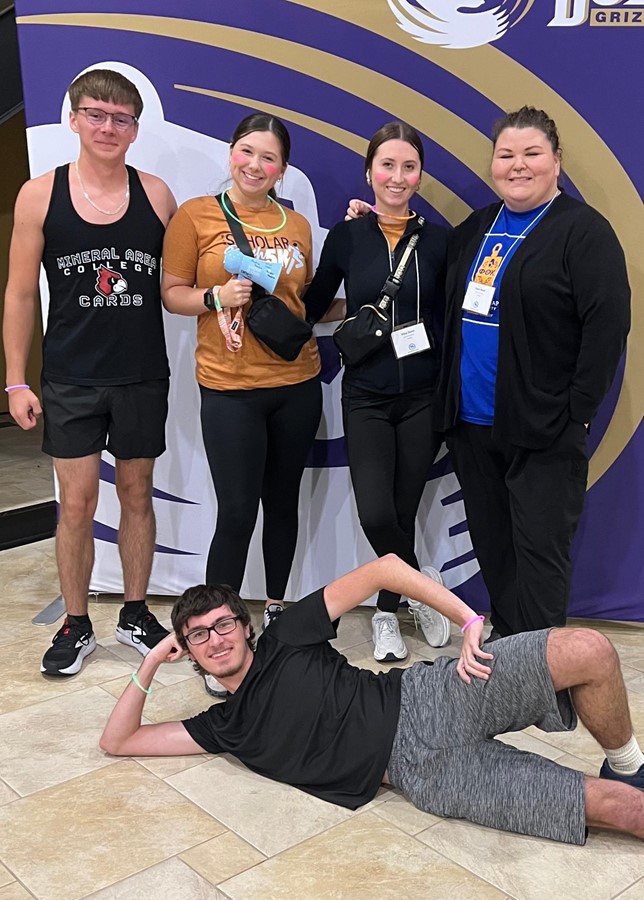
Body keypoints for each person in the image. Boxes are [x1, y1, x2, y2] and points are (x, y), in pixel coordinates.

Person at [100, 554, 644, 846]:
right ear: (188, 651)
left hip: (431, 697)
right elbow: (118, 740)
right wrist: (150, 660)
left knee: (589, 649)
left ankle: (628, 764)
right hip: (425, 775)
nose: (215, 639)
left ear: (245, 627)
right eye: (198, 635)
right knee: (621, 810)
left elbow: (384, 568)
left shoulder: (288, 637)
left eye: (223, 625)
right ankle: (627, 787)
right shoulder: (221, 727)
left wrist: (469, 620)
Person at [3, 69, 177, 676]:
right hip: (71, 378)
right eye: (96, 114)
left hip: (140, 374)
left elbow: (178, 284)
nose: (108, 127)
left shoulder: (156, 194)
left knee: (136, 495)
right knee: (76, 504)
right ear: (73, 118)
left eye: (120, 118)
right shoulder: (38, 194)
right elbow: (21, 294)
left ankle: (133, 611)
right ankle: (76, 623)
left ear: (135, 129)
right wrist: (16, 380)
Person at [435, 106, 630, 638]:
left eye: (531, 153)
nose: (517, 165)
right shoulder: (475, 229)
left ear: (557, 162)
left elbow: (607, 327)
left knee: (541, 552)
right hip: (473, 426)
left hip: (544, 428)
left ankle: (546, 672)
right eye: (506, 154)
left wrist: (577, 413)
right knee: (494, 545)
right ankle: (507, 654)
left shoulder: (583, 232)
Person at [161, 113, 322, 694]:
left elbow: (306, 301)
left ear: (283, 168)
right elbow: (172, 292)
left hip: (297, 385)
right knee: (235, 514)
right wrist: (214, 295)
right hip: (228, 389)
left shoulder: (298, 224)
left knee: (283, 504)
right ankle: (213, 632)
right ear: (231, 153)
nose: (255, 165)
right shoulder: (195, 215)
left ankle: (276, 613)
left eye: (269, 158)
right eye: (246, 152)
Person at [304, 121, 450, 663]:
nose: (396, 176)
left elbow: (448, 312)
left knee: (404, 506)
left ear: (419, 174)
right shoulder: (347, 236)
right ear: (369, 172)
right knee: (375, 511)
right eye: (386, 165)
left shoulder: (439, 240)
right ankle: (422, 585)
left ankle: (389, 611)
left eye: (407, 166)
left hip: (422, 396)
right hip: (365, 394)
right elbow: (316, 303)